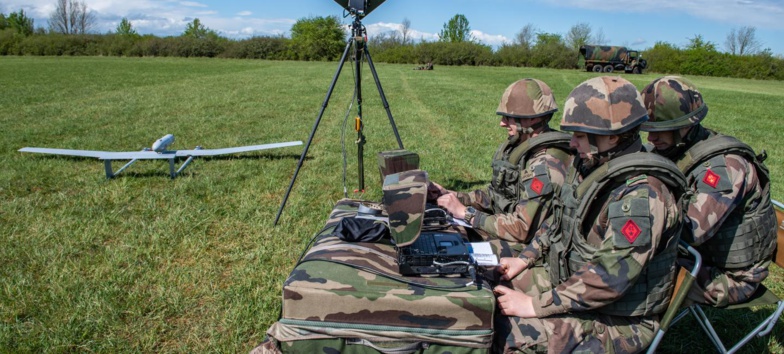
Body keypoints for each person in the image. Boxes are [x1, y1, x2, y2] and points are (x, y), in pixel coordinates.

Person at [492, 76, 686, 353]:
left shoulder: (642, 194)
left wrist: (535, 306)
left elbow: (609, 278)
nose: (571, 143)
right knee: (485, 286)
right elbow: (557, 221)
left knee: (503, 335)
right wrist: (524, 259)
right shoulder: (592, 168)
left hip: (618, 319)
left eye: (580, 136)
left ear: (612, 137)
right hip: (571, 286)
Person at [639, 75, 777, 307]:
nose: (651, 137)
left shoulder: (724, 168)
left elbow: (690, 232)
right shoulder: (677, 149)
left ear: (686, 125)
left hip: (729, 278)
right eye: (648, 129)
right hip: (695, 259)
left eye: (661, 130)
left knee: (631, 279)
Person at [430, 78, 572, 255]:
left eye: (508, 117)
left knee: (450, 252)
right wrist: (451, 195)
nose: (502, 123)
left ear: (532, 118)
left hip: (533, 249)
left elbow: (522, 229)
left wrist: (467, 214)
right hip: (511, 232)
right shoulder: (520, 148)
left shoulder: (544, 163)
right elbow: (496, 197)